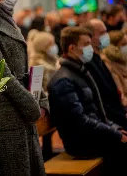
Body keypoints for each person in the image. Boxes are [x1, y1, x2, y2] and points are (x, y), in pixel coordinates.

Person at [0, 0, 47, 176]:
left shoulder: (8, 20)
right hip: (7, 117)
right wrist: (31, 104)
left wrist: (41, 97)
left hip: (21, 111)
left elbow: (23, 68)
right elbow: (1, 74)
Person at [47, 26, 127, 175]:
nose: (90, 47)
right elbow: (81, 121)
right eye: (86, 44)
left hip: (92, 136)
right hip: (82, 143)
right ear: (71, 48)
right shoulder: (64, 81)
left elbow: (96, 111)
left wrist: (114, 128)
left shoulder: (78, 72)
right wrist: (114, 134)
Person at [83, 19, 127, 130]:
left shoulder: (99, 58)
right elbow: (101, 100)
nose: (106, 36)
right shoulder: (89, 63)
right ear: (90, 37)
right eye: (102, 33)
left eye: (105, 32)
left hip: (117, 114)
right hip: (110, 121)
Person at [101, 30, 127, 106]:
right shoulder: (110, 64)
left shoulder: (124, 60)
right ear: (114, 47)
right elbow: (121, 94)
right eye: (123, 44)